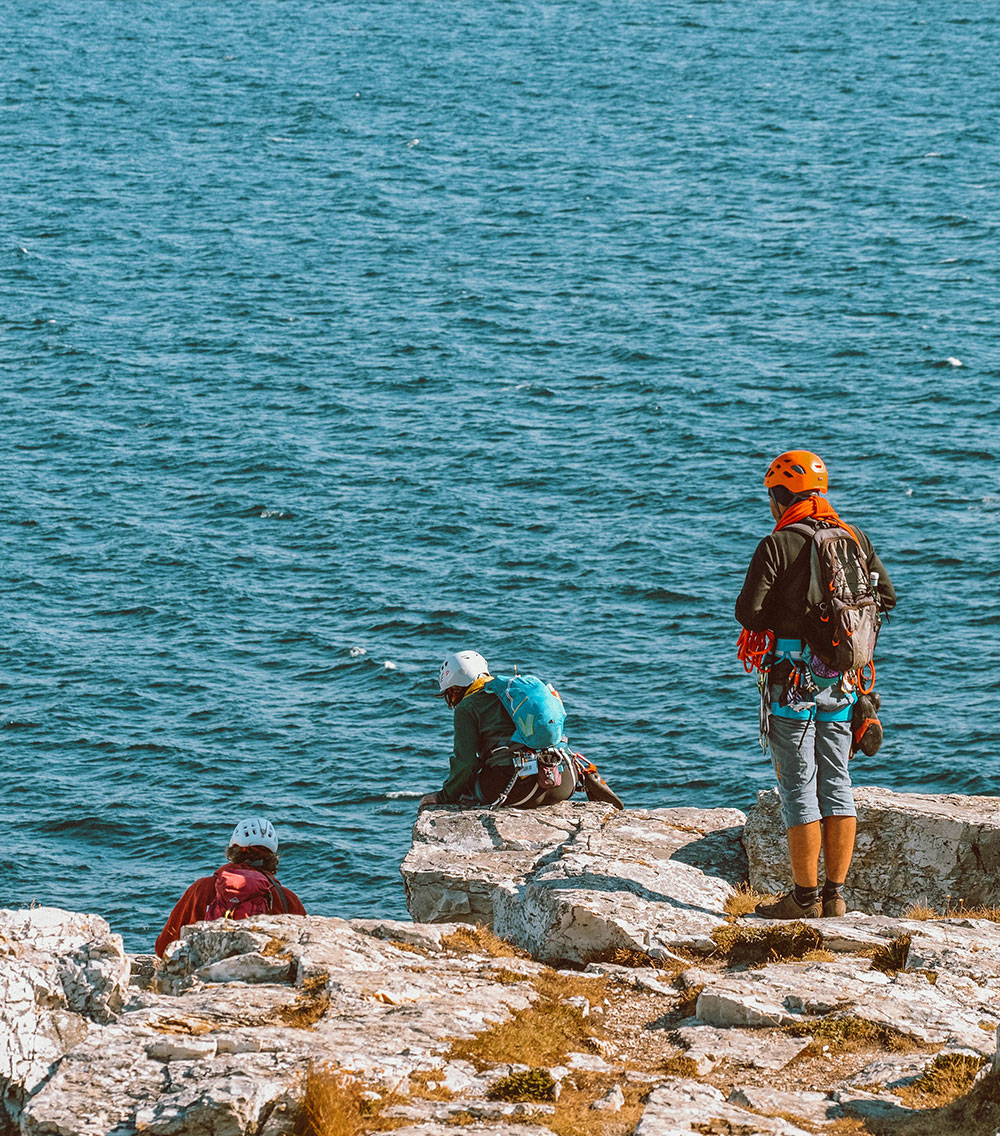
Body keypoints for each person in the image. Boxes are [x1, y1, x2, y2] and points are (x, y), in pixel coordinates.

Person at [736, 451, 896, 919]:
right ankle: (835, 895)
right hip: (844, 681)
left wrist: (791, 622)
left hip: (791, 679)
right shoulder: (852, 536)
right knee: (838, 780)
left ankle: (803, 899)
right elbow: (885, 597)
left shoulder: (778, 543)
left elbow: (748, 612)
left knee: (800, 786)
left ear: (780, 495)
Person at [419, 650, 579, 810]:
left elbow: (466, 763)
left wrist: (443, 796)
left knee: (467, 789)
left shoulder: (466, 707)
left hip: (518, 788)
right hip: (563, 780)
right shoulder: (511, 693)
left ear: (455, 689)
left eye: (450, 695)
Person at [154, 817, 306, 957]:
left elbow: (164, 946)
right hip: (263, 975)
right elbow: (303, 948)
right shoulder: (286, 898)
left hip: (202, 969)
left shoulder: (202, 888)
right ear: (272, 857)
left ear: (232, 851)